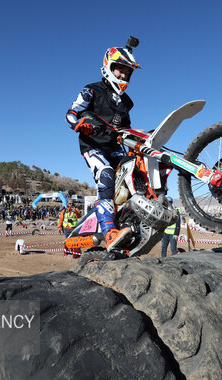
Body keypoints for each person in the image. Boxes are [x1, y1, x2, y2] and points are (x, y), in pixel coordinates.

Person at [66, 42, 140, 251]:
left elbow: (126, 129)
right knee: (106, 174)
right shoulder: (92, 90)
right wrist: (80, 123)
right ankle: (109, 231)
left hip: (115, 147)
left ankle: (136, 217)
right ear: (109, 66)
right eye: (120, 70)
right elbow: (70, 114)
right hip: (93, 147)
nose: (124, 75)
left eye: (128, 72)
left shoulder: (126, 102)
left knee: (136, 169)